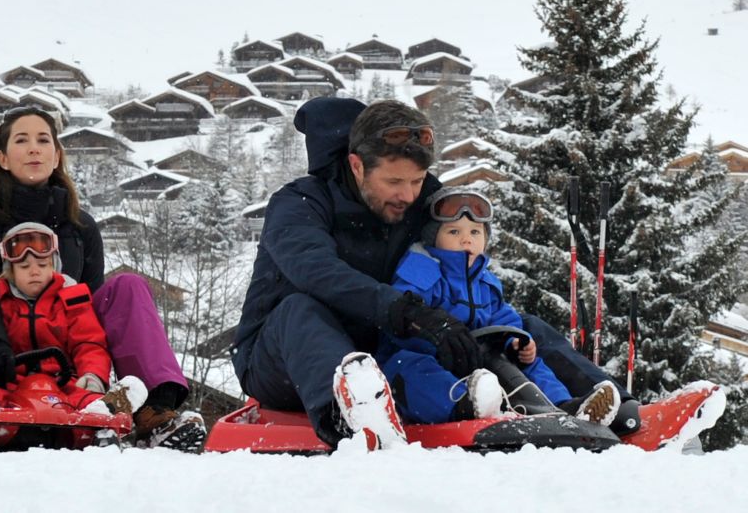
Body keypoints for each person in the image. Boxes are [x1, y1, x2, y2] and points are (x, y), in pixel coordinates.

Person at [0, 105, 204, 452]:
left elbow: (86, 301)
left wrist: (89, 370)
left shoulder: (80, 226)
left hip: (63, 347)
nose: (34, 148)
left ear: (57, 155)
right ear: (2, 158)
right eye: (22, 140)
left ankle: (155, 413)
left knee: (128, 287)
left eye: (44, 140)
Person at [232, 97, 483, 449]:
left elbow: (458, 254)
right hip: (283, 360)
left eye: (417, 180)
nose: (408, 194)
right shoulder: (298, 204)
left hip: (382, 348)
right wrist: (405, 311)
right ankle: (352, 420)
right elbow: (317, 272)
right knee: (298, 308)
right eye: (394, 181)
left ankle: (572, 398)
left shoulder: (423, 199)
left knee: (503, 319)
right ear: (357, 166)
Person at [378, 187, 621, 426]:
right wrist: (438, 340)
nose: (466, 239)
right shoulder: (421, 271)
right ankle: (463, 405)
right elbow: (403, 316)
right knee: (411, 365)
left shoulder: (485, 281)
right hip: (433, 354)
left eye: (475, 232)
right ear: (433, 238)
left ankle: (564, 406)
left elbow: (503, 315)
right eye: (453, 231)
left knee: (531, 362)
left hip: (477, 358)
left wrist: (515, 340)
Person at [0, 221, 146, 417]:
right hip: (15, 385)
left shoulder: (72, 300)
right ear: (11, 272)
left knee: (84, 399)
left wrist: (92, 375)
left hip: (63, 384)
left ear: (54, 267)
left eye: (42, 264)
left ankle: (104, 411)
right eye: (24, 266)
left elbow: (89, 343)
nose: (34, 271)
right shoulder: (1, 301)